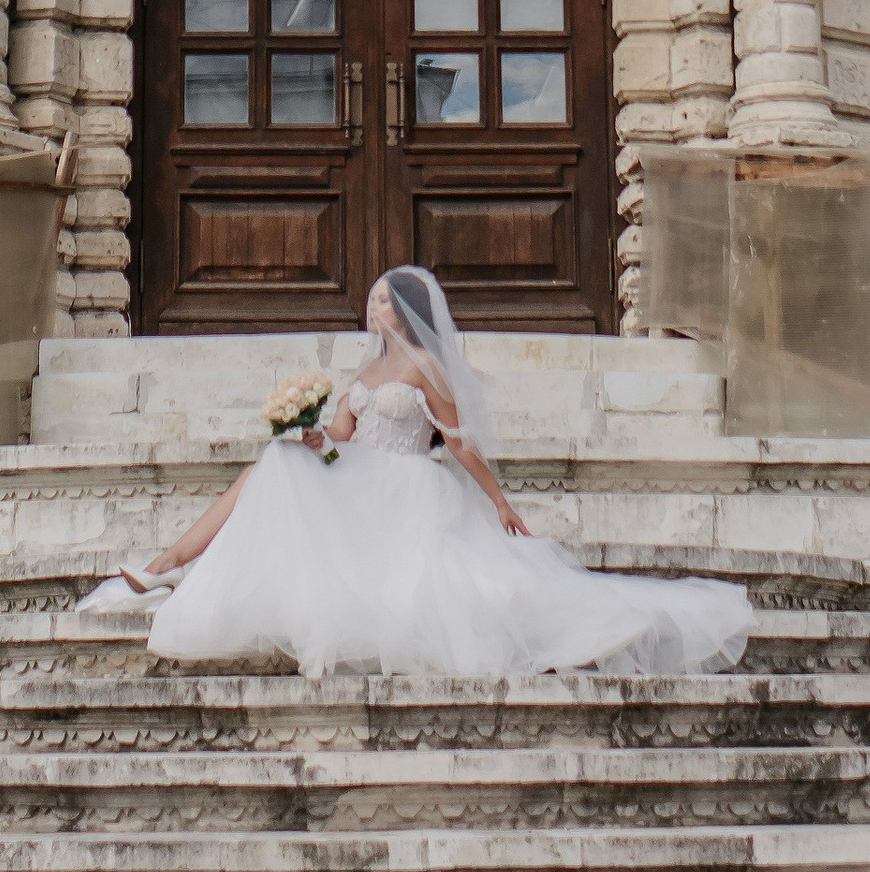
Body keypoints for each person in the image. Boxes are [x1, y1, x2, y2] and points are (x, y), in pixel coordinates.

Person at [78, 266, 750, 680]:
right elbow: (341, 439)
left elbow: (456, 444)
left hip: (405, 486)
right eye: (371, 299)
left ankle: (167, 563)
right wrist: (309, 432)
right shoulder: (365, 371)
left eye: (380, 299)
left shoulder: (426, 369)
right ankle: (168, 562)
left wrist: (499, 502)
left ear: (402, 307)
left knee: (282, 475)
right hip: (359, 473)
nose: (371, 306)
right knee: (280, 460)